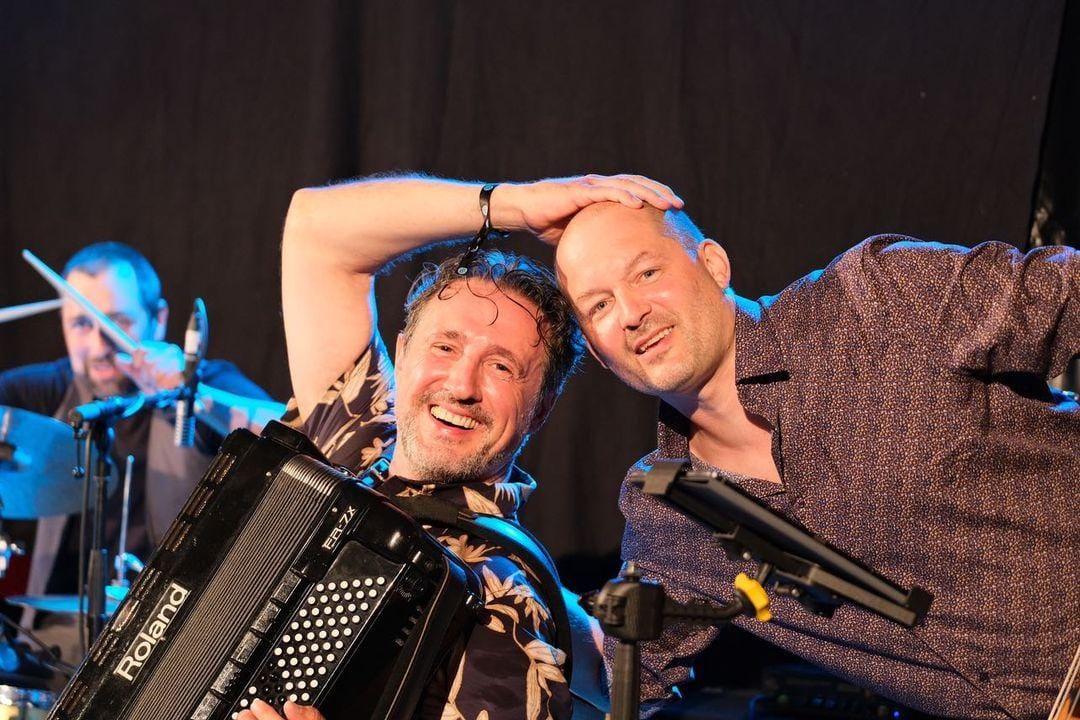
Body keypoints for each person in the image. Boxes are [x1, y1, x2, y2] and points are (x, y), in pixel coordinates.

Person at [549, 197, 1079, 719]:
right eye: (600, 306)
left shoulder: (874, 299)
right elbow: (622, 675)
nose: (632, 314)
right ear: (596, 351)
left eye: (646, 273)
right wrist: (509, 572)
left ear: (713, 264)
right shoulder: (668, 513)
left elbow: (1068, 291)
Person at [238, 174, 683, 720]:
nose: (461, 385)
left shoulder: (505, 609)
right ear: (403, 355)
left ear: (540, 408)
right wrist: (513, 205)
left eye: (501, 367)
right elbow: (317, 230)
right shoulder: (354, 444)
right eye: (445, 347)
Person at [0, 241, 281, 661]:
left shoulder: (205, 383)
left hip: (180, 642)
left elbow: (295, 432)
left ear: (158, 319)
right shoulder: (48, 390)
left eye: (117, 322)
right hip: (56, 646)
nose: (99, 345)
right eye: (81, 324)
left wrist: (193, 395)